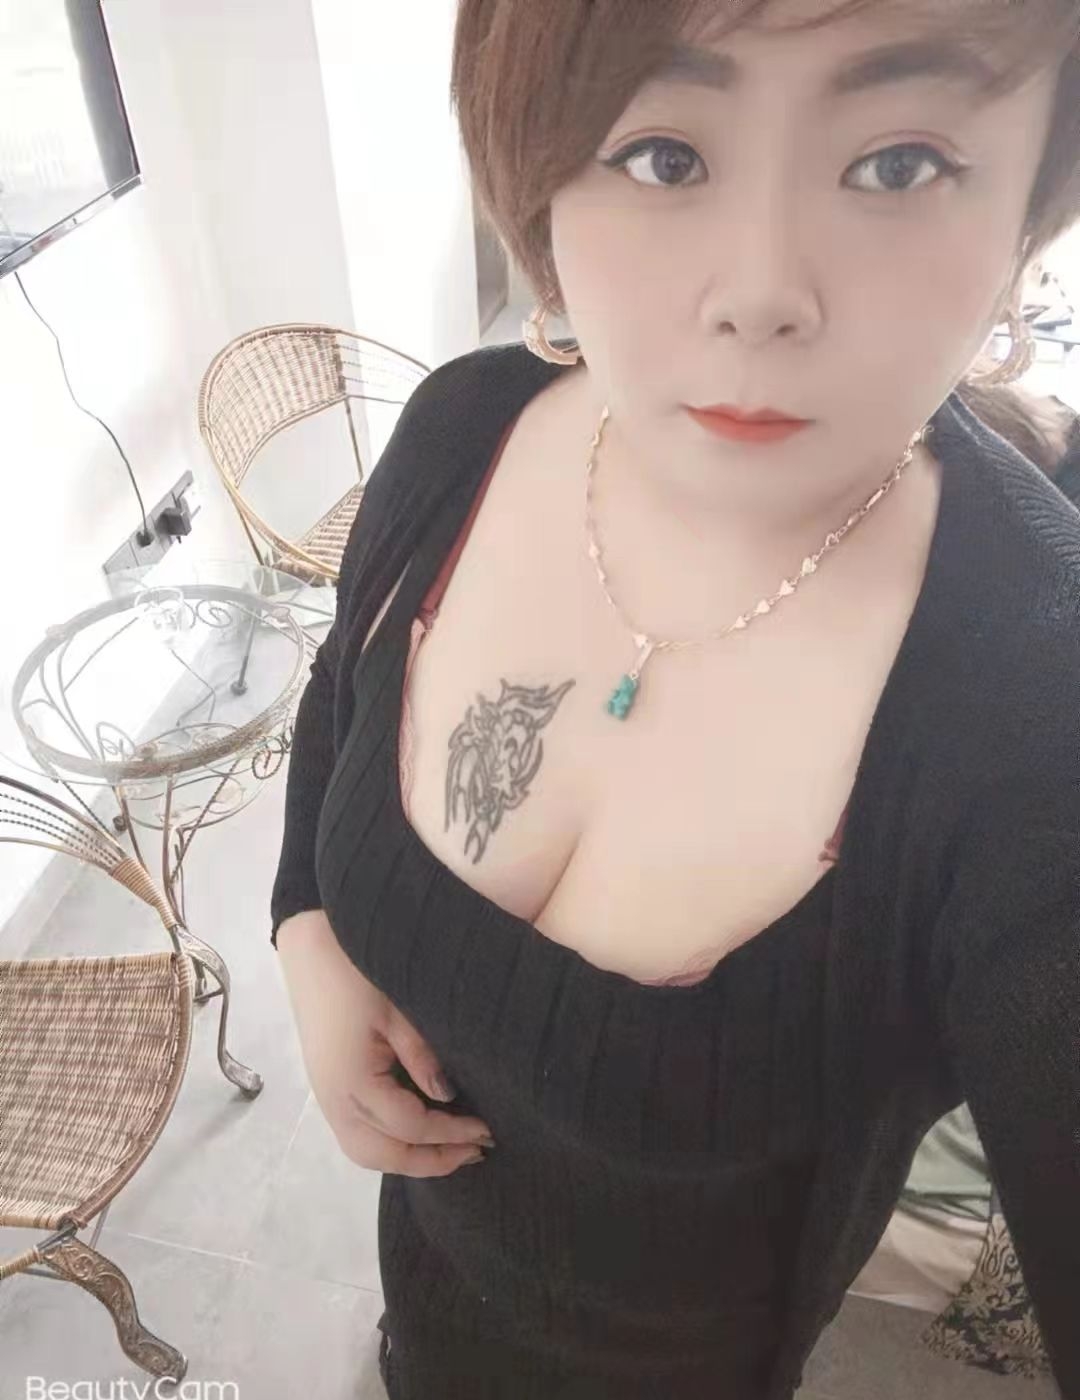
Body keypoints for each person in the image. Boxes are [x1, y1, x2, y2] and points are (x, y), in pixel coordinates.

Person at [270, 3, 1080, 1397]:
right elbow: (345, 679)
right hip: (420, 1325)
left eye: (898, 164)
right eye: (661, 154)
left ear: (1033, 194)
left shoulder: (1037, 725)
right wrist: (307, 925)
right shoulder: (462, 429)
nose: (761, 292)